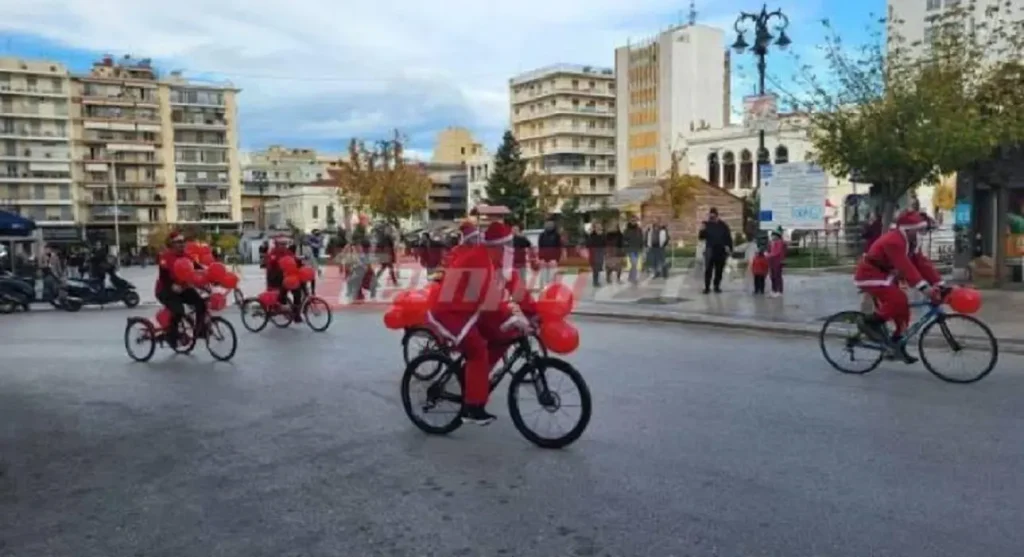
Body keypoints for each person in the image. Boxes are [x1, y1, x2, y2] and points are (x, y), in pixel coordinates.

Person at [426, 222, 538, 425]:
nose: (511, 250)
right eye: (508, 246)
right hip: (449, 312)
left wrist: (532, 314)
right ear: (497, 246)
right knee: (477, 349)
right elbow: (490, 301)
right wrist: (514, 317)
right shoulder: (479, 260)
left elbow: (516, 288)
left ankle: (476, 378)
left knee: (504, 336)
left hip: (472, 311)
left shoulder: (499, 262)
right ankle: (472, 407)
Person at [854, 210, 949, 363]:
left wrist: (940, 284)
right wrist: (925, 288)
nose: (921, 233)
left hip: (886, 274)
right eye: (918, 230)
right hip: (870, 274)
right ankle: (870, 322)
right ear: (908, 229)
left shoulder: (911, 241)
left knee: (903, 311)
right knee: (898, 299)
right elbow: (906, 267)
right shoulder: (894, 240)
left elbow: (922, 264)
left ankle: (897, 345)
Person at [155, 232, 207, 347]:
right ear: (172, 244)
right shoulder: (165, 257)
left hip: (182, 288)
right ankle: (171, 337)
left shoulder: (186, 256)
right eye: (179, 242)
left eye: (183, 242)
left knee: (201, 303)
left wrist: (209, 276)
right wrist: (172, 286)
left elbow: (198, 268)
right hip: (165, 290)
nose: (182, 244)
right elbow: (163, 276)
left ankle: (199, 330)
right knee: (178, 311)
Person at [265, 236, 303, 321]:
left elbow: (294, 258)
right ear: (277, 245)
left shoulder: (287, 251)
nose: (284, 246)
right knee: (279, 294)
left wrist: (300, 259)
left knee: (297, 293)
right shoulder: (273, 252)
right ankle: (280, 307)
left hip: (286, 276)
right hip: (275, 277)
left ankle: (296, 313)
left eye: (285, 244)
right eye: (281, 244)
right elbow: (271, 263)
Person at [698, 208, 733, 294]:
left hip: (721, 250)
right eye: (710, 216)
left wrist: (729, 248)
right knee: (708, 270)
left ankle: (716, 286)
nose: (711, 218)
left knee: (719, 270)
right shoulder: (706, 225)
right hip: (710, 249)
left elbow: (728, 237)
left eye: (713, 216)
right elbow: (701, 237)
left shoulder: (723, 225)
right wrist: (701, 230)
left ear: (717, 215)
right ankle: (707, 287)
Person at [537, 218, 562, 289]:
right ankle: (544, 290)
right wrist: (541, 258)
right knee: (543, 276)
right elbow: (540, 247)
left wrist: (556, 259)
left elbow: (558, 248)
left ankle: (552, 290)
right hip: (543, 259)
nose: (549, 225)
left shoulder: (557, 235)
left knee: (552, 277)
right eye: (547, 223)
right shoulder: (542, 235)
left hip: (553, 259)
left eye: (550, 223)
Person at [622, 216, 643, 285]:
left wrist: (642, 247)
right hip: (630, 250)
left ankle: (630, 277)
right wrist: (626, 247)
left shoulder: (639, 229)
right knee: (634, 263)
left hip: (637, 249)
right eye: (632, 220)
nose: (633, 222)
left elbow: (641, 239)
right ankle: (634, 278)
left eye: (635, 220)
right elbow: (624, 240)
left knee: (634, 264)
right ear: (630, 221)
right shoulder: (627, 230)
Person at [767, 230, 786, 298]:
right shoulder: (771, 243)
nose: (772, 237)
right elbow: (769, 250)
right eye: (772, 235)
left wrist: (768, 255)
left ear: (777, 236)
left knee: (778, 276)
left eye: (774, 235)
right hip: (771, 262)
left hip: (778, 261)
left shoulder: (780, 243)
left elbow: (777, 252)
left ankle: (779, 291)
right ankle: (773, 290)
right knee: (772, 276)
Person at [586, 223, 606, 287]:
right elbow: (588, 245)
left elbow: (605, 244)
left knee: (598, 268)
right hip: (594, 254)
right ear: (595, 229)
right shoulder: (591, 236)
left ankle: (596, 281)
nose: (599, 229)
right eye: (597, 227)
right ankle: (595, 282)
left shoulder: (603, 235)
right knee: (595, 268)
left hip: (600, 254)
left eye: (600, 227)